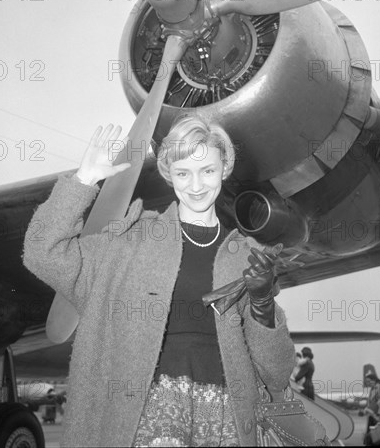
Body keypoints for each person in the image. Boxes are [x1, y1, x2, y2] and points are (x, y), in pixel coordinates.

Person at [23, 115, 296, 447]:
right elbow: (42, 253)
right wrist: (84, 180)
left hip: (228, 419)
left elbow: (278, 372)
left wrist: (264, 304)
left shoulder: (247, 257)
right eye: (183, 173)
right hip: (147, 414)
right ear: (169, 174)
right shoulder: (128, 242)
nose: (196, 186)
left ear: (224, 168)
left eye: (207, 171)